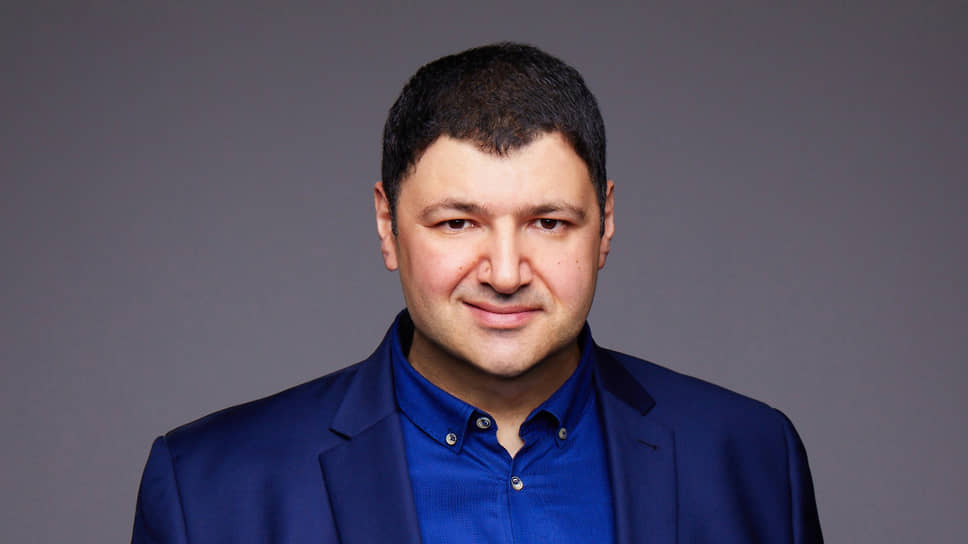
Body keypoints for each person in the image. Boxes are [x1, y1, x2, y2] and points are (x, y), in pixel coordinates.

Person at [132, 42, 823, 543]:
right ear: (387, 225)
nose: (505, 272)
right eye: (458, 223)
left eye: (548, 223)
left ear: (606, 223)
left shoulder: (753, 458)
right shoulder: (210, 487)